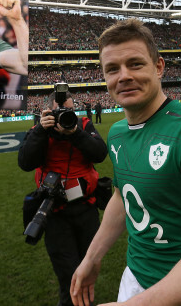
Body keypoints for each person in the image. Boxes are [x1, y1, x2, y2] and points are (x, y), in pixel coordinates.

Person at [71, 19, 181, 306]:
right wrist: (92, 258)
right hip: (135, 280)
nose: (123, 76)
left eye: (135, 64)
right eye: (112, 69)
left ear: (159, 67)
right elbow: (122, 195)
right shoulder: (117, 133)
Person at [18, 89, 108, 306]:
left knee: (89, 266)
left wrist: (75, 133)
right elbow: (25, 163)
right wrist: (41, 130)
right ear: (48, 111)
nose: (65, 114)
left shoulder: (83, 125)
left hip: (86, 208)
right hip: (55, 211)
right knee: (68, 273)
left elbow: (100, 153)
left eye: (69, 109)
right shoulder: (39, 130)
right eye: (61, 111)